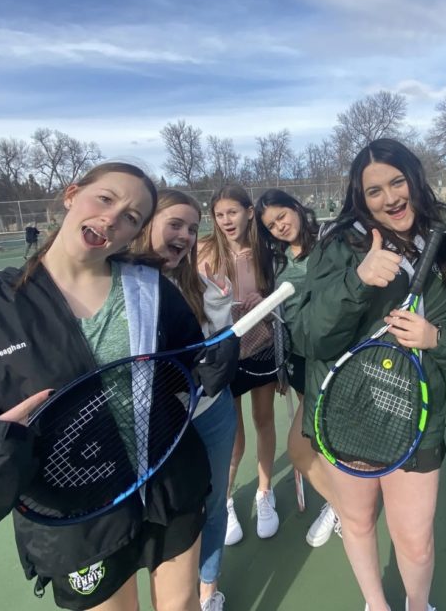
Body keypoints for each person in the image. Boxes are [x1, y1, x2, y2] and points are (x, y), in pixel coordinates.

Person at [0, 162, 232, 611]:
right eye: (106, 199)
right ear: (72, 194)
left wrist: (213, 361)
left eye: (132, 217)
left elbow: (187, 363)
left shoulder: (150, 288)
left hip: (170, 486)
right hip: (76, 515)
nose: (115, 218)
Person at [301, 139, 446, 611]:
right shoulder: (339, 244)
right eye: (374, 190)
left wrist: (436, 337)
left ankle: (418, 605)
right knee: (357, 521)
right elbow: (311, 338)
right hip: (347, 412)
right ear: (361, 198)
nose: (390, 198)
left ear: (414, 180)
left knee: (415, 541)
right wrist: (359, 280)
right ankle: (376, 604)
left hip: (415, 415)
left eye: (397, 182)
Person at [134, 189, 238, 611]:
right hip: (154, 425)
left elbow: (217, 346)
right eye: (175, 224)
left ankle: (207, 588)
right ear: (146, 226)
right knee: (163, 516)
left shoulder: (199, 283)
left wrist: (222, 322)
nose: (186, 236)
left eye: (193, 229)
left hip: (210, 416)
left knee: (212, 506)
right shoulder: (119, 283)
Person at [255, 189, 341, 548]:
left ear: (296, 207)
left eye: (282, 216)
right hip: (299, 362)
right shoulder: (277, 260)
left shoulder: (331, 241)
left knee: (310, 446)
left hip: (334, 360)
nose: (279, 227)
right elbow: (280, 317)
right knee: (314, 444)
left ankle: (344, 507)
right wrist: (281, 368)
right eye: (271, 225)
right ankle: (343, 505)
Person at [197, 185, 280, 544]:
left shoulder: (265, 249)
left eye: (233, 212)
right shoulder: (204, 251)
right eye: (219, 214)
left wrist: (263, 301)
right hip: (224, 354)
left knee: (264, 420)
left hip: (261, 346)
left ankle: (265, 492)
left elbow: (280, 292)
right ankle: (226, 500)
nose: (226, 220)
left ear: (249, 212)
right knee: (232, 437)